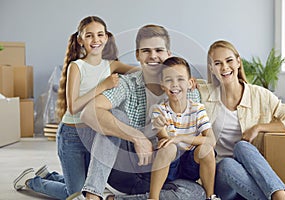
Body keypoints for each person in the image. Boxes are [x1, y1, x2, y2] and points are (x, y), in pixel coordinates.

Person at [73, 24, 207, 200]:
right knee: (114, 117)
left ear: (169, 54)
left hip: (163, 175)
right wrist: (137, 136)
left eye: (159, 50)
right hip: (125, 170)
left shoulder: (187, 89)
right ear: (137, 55)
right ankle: (93, 195)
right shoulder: (127, 84)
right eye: (146, 51)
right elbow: (88, 113)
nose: (153, 56)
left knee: (196, 193)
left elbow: (194, 138)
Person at [13, 16, 137, 199]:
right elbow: (73, 106)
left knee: (88, 187)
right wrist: (103, 86)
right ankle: (31, 180)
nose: (96, 40)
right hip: (71, 137)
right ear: (80, 40)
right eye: (89, 36)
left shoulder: (112, 65)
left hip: (93, 136)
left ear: (106, 37)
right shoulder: (76, 67)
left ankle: (49, 175)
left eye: (100, 35)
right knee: (75, 194)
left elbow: (142, 74)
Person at [197, 40, 285, 200]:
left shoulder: (260, 95)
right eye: (217, 63)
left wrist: (258, 127)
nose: (224, 67)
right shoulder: (204, 94)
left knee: (242, 146)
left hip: (252, 179)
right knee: (227, 164)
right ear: (211, 68)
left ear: (238, 62)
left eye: (229, 60)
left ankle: (279, 196)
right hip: (222, 179)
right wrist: (188, 81)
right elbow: (178, 82)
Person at [148, 56, 219, 200]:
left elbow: (211, 140)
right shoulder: (159, 110)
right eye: (169, 80)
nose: (175, 85)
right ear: (162, 85)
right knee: (169, 147)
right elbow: (165, 141)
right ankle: (153, 198)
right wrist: (162, 130)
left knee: (206, 149)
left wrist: (180, 138)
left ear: (190, 83)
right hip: (170, 165)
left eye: (180, 79)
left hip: (190, 166)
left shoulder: (197, 109)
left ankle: (210, 196)